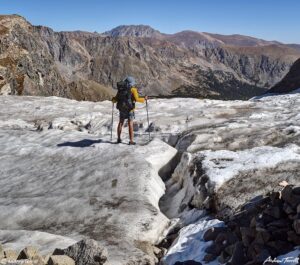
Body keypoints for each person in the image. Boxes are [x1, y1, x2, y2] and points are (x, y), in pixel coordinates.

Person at [112, 76, 148, 145]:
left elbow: (116, 99)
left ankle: (119, 139)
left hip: (122, 109)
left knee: (120, 123)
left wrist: (113, 100)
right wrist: (144, 99)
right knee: (130, 124)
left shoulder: (120, 89)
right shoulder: (133, 89)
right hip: (130, 109)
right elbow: (137, 99)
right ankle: (131, 141)